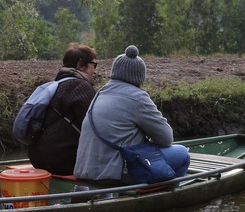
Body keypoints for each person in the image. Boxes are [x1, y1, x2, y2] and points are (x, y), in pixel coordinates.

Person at [73, 45, 190, 183]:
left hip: (84, 170)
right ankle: (164, 198)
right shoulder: (137, 97)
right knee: (183, 154)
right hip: (113, 173)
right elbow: (166, 138)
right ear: (139, 77)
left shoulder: (101, 92)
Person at [26, 43, 98, 176]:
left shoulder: (55, 86)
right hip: (61, 162)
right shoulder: (81, 87)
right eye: (94, 64)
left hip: (37, 159)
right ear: (81, 65)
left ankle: (80, 196)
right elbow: (94, 128)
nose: (95, 71)